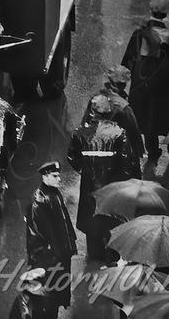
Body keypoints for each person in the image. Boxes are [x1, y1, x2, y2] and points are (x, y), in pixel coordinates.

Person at [67, 93, 140, 261]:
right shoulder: (119, 133)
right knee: (112, 230)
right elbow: (127, 164)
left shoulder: (80, 133)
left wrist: (85, 170)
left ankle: (94, 259)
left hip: (89, 191)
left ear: (92, 112)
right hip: (112, 194)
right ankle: (111, 263)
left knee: (92, 230)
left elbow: (72, 158)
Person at [121, 0, 169, 163]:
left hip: (141, 77)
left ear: (151, 11)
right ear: (165, 14)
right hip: (163, 80)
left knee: (144, 116)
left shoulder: (139, 33)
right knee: (165, 116)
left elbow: (128, 60)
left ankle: (152, 151)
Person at [24, 161, 77, 318]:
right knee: (47, 299)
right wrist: (51, 258)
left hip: (59, 257)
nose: (59, 179)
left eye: (58, 176)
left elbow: (64, 223)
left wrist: (71, 245)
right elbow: (37, 237)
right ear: (45, 176)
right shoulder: (39, 202)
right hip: (50, 260)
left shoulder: (53, 194)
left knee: (55, 297)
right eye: (55, 176)